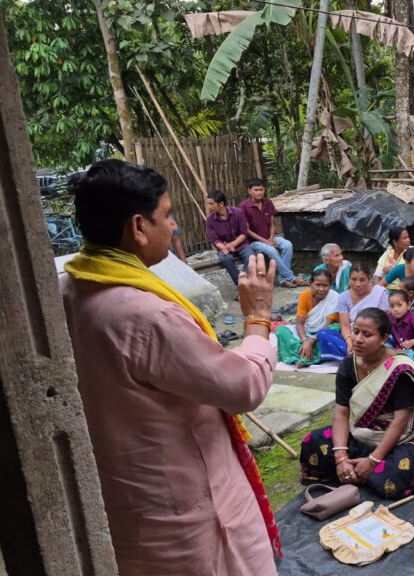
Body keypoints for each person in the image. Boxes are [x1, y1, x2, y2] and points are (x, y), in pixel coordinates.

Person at [60, 160, 282, 573]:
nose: (175, 226)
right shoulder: (147, 316)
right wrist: (258, 318)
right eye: (167, 215)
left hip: (125, 501)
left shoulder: (65, 290)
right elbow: (244, 386)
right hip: (192, 513)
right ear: (139, 227)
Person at [300, 308, 414, 498]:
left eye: (367, 335)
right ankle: (352, 469)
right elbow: (341, 413)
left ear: (384, 339)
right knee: (313, 441)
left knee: (394, 475)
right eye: (356, 331)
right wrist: (340, 457)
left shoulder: (399, 369)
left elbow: (400, 421)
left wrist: (373, 461)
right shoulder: (348, 365)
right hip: (360, 432)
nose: (358, 339)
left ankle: (361, 471)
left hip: (397, 439)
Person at [241, 177, 302, 288]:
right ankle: (291, 277)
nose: (259, 192)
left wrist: (271, 238)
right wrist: (266, 241)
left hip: (269, 238)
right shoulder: (244, 206)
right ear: (249, 191)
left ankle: (283, 279)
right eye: (256, 190)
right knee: (272, 250)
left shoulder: (268, 203)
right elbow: (247, 230)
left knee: (287, 245)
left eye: (261, 190)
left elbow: (272, 223)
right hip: (254, 242)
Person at [282, 269, 341, 366]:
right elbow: (300, 323)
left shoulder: (334, 297)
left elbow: (328, 324)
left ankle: (304, 356)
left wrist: (311, 341)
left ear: (330, 286)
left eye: (325, 285)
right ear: (310, 284)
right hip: (308, 331)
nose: (321, 289)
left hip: (323, 332)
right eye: (318, 285)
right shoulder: (304, 296)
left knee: (332, 329)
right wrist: (305, 340)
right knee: (282, 330)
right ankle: (303, 353)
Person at [204, 189, 254, 287]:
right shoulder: (210, 220)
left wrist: (233, 244)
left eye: (211, 204)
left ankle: (244, 282)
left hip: (241, 244)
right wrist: (224, 247)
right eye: (208, 204)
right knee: (226, 259)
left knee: (250, 256)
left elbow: (244, 233)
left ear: (221, 204)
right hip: (224, 247)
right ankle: (241, 285)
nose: (209, 207)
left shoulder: (238, 212)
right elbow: (214, 240)